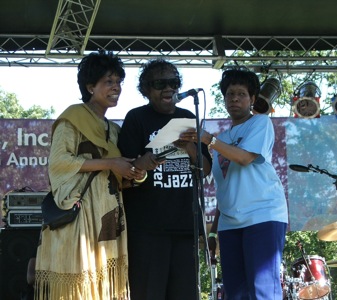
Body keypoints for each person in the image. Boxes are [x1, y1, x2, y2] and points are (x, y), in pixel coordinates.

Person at [34, 51, 145, 299]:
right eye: (109, 82)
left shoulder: (114, 129)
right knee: (78, 287)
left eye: (118, 82)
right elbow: (59, 162)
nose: (116, 88)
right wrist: (111, 162)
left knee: (105, 287)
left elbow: (116, 175)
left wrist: (134, 172)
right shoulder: (72, 119)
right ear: (90, 86)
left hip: (107, 214)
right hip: (80, 215)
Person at [183, 68, 288, 299]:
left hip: (263, 215)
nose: (234, 99)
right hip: (230, 222)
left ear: (252, 99)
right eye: (230, 94)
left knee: (263, 290)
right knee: (234, 292)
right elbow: (210, 173)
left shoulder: (260, 123)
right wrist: (187, 145)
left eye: (241, 94)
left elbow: (245, 158)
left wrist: (209, 140)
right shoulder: (224, 137)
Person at [118, 58, 212, 300]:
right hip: (147, 228)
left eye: (173, 82)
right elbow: (123, 169)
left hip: (185, 226)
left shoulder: (188, 115)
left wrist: (189, 147)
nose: (168, 88)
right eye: (160, 83)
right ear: (146, 90)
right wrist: (144, 162)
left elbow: (206, 169)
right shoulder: (136, 118)